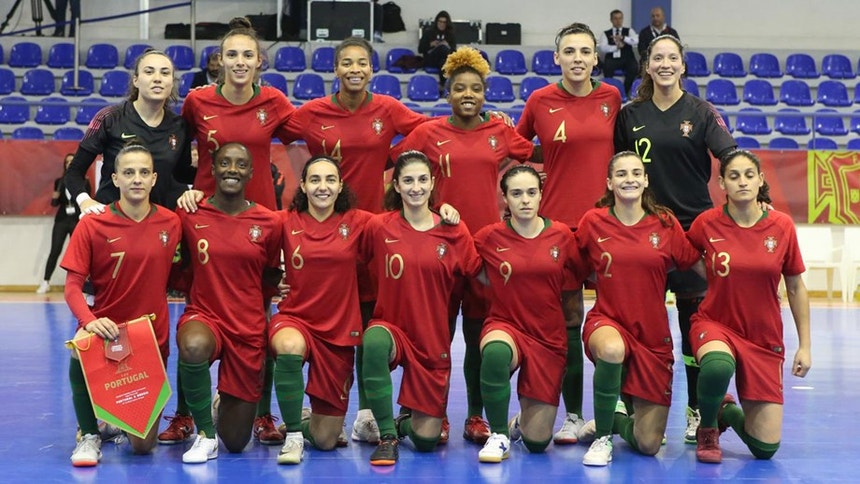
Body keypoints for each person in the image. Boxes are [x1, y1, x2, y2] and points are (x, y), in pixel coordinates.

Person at [281, 36, 428, 445]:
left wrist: (388, 158)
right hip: (325, 233)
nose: (354, 70)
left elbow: (426, 131)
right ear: (335, 69)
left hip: (372, 231)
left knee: (369, 319)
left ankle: (365, 413)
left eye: (362, 63)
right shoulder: (312, 113)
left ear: (372, 69)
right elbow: (275, 130)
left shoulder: (387, 109)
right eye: (346, 63)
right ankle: (280, 413)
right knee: (326, 319)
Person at [390, 46, 534, 445]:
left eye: (475, 88)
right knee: (429, 337)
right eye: (459, 88)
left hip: (484, 252)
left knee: (476, 336)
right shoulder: (428, 133)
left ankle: (474, 415)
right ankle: (423, 408)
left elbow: (533, 154)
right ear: (447, 93)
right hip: (435, 248)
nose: (467, 94)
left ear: (485, 93)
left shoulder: (500, 132)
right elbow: (398, 168)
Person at [176, 16, 297, 447]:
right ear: (219, 61)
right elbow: (172, 153)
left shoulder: (276, 102)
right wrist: (182, 194)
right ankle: (184, 414)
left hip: (259, 225)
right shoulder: (196, 101)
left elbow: (319, 138)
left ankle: (261, 413)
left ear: (259, 61)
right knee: (196, 316)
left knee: (258, 315)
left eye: (248, 54)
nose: (240, 62)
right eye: (232, 55)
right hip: (205, 222)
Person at [614, 34, 737, 444]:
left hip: (691, 233)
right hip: (642, 231)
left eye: (672, 58)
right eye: (658, 58)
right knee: (639, 324)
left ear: (683, 66)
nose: (665, 64)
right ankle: (635, 407)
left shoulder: (701, 112)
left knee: (692, 325)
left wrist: (755, 196)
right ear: (647, 66)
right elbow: (618, 167)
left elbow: (731, 156)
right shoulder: (630, 114)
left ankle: (697, 411)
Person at [515, 22, 621, 446]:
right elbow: (516, 146)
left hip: (610, 227)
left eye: (585, 51)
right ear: (556, 57)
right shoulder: (540, 100)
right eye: (569, 51)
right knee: (570, 320)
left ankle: (619, 409)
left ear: (596, 58)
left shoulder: (612, 98)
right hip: (559, 230)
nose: (577, 58)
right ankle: (575, 414)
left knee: (620, 319)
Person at [574, 151, 702, 466]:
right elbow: (571, 265)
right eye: (621, 174)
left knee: (648, 444)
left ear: (645, 180)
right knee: (613, 350)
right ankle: (603, 439)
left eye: (635, 173)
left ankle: (613, 421)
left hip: (652, 337)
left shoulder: (665, 222)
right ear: (609, 182)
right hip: (608, 322)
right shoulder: (593, 222)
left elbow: (697, 263)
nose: (629, 179)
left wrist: (743, 285)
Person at [60, 143, 182, 467]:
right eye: (128, 172)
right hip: (106, 332)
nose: (136, 179)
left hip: (150, 339)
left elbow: (185, 276)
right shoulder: (93, 222)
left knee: (143, 447)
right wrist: (88, 321)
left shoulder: (172, 223)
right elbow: (72, 286)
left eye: (144, 172)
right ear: (114, 177)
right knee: (78, 345)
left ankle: (114, 419)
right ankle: (89, 434)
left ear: (155, 178)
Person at [687, 149, 811, 463]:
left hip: (762, 335)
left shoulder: (781, 226)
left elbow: (795, 287)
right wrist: (712, 274)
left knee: (765, 448)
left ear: (760, 181)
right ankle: (708, 426)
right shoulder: (707, 224)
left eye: (748, 175)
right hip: (716, 323)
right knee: (717, 366)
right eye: (733, 176)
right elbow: (683, 255)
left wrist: (805, 346)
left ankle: (725, 409)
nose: (742, 181)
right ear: (722, 184)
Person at [361, 151, 481, 466]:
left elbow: (478, 274)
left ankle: (404, 421)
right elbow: (343, 254)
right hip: (393, 329)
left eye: (422, 179)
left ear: (432, 183)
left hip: (432, 341)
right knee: (372, 341)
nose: (416, 187)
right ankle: (387, 435)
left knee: (427, 441)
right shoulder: (378, 227)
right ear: (397, 186)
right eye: (408, 180)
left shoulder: (454, 229)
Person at [175, 142, 282, 464]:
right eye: (224, 163)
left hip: (247, 326)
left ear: (251, 172)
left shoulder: (269, 222)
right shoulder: (191, 213)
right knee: (193, 346)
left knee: (235, 442)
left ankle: (221, 407)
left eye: (240, 164)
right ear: (213, 168)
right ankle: (205, 434)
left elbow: (272, 276)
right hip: (205, 315)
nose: (232, 169)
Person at [473, 165, 583, 463]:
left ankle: (520, 424)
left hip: (548, 336)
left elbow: (576, 281)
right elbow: (468, 265)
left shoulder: (562, 235)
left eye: (531, 193)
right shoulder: (487, 237)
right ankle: (498, 435)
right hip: (505, 325)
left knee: (538, 443)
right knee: (495, 353)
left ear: (540, 195)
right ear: (505, 199)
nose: (525, 200)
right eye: (517, 193)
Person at [270, 156, 372, 465]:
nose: (322, 187)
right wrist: (272, 281)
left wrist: (442, 211)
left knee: (327, 440)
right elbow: (242, 233)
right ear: (302, 185)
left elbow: (405, 225)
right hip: (295, 318)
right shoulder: (284, 220)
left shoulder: (361, 222)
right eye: (315, 180)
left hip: (339, 331)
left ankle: (300, 422)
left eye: (330, 180)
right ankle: (293, 439)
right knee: (288, 347)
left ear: (341, 186)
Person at [65, 48, 194, 214]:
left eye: (165, 73)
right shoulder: (108, 118)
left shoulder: (180, 126)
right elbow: (73, 172)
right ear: (136, 80)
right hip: (113, 221)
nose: (157, 79)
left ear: (172, 81)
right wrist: (85, 201)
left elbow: (182, 175)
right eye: (149, 72)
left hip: (159, 225)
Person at [37, 153, 88, 294]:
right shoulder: (59, 181)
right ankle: (45, 282)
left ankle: (81, 285)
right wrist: (55, 197)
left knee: (79, 254)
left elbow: (85, 202)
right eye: (67, 162)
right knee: (55, 250)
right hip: (62, 220)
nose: (69, 164)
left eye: (72, 162)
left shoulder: (83, 182)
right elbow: (55, 203)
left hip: (77, 220)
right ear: (64, 165)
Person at [598, 9, 639, 98]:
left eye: (620, 18)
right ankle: (610, 93)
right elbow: (603, 47)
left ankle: (624, 92)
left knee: (634, 68)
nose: (618, 21)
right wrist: (616, 47)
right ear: (611, 20)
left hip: (627, 58)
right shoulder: (605, 33)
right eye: (615, 18)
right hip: (612, 58)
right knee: (607, 67)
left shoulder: (629, 31)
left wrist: (623, 38)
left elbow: (635, 41)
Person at [419, 10, 456, 91]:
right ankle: (444, 85)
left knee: (443, 60)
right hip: (431, 59)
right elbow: (420, 49)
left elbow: (454, 51)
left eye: (444, 22)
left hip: (444, 60)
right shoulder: (428, 32)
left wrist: (448, 46)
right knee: (442, 49)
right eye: (440, 21)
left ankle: (442, 86)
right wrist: (431, 44)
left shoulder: (450, 34)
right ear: (436, 22)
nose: (442, 24)